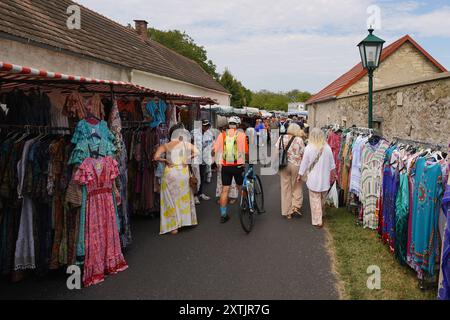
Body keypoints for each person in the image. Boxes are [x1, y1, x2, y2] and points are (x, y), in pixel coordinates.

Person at [154, 123, 200, 235]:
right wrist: (187, 158)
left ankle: (173, 227)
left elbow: (155, 157)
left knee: (170, 199)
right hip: (182, 173)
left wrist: (165, 161)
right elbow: (197, 152)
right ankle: (185, 221)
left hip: (170, 173)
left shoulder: (166, 145)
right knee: (183, 198)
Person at [297, 128, 336, 229]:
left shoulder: (309, 148)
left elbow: (304, 163)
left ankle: (318, 220)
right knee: (322, 199)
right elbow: (332, 164)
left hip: (313, 179)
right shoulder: (327, 148)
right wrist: (334, 174)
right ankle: (321, 214)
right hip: (324, 179)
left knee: (315, 200)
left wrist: (300, 174)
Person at [213, 116, 249, 223]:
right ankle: (244, 205)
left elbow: (215, 150)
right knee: (241, 187)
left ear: (229, 125)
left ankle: (223, 215)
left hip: (226, 167)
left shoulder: (222, 135)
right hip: (238, 166)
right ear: (238, 125)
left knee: (225, 190)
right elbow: (246, 152)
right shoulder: (242, 135)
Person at [276, 123, 306, 219]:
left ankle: (287, 212)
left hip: (283, 164)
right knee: (296, 186)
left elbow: (276, 151)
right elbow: (303, 153)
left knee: (285, 188)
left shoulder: (281, 138)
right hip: (296, 165)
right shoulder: (299, 140)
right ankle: (295, 207)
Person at [191, 119, 214, 204]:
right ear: (201, 125)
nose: (206, 127)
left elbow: (211, 145)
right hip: (195, 158)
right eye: (204, 125)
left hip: (204, 158)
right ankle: (195, 195)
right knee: (196, 177)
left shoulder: (210, 133)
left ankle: (200, 193)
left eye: (207, 125)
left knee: (202, 175)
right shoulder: (193, 132)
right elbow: (189, 144)